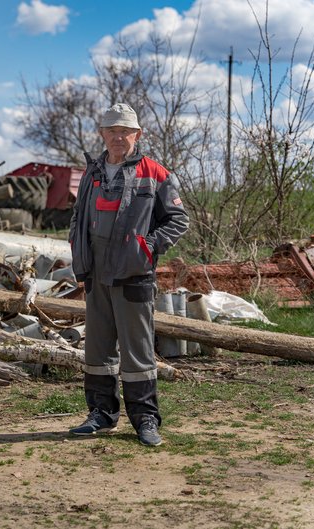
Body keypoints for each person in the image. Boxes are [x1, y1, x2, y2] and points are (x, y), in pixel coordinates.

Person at [67, 103, 189, 446]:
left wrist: (146, 247)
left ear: (138, 134)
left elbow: (179, 220)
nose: (118, 137)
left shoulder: (155, 173)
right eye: (112, 131)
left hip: (133, 272)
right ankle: (100, 414)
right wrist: (80, 256)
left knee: (137, 351)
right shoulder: (92, 173)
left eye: (125, 131)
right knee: (98, 348)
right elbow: (78, 217)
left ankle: (145, 420)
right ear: (102, 134)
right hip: (96, 273)